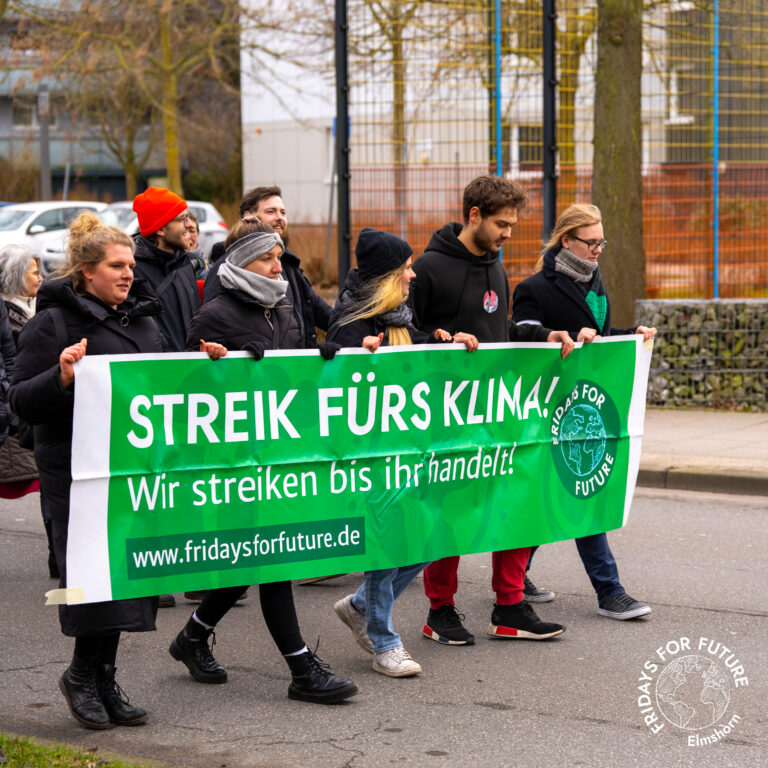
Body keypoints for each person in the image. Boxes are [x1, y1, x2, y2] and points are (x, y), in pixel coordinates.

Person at [7, 213, 219, 729]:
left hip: (133, 476)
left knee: (125, 580)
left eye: (129, 264)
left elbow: (166, 385)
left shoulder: (142, 320)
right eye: (115, 266)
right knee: (93, 583)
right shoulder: (51, 324)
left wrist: (205, 361)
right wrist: (59, 376)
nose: (128, 274)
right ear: (84, 271)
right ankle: (81, 675)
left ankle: (103, 675)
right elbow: (19, 403)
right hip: (77, 479)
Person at [168, 224, 357, 704]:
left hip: (279, 456)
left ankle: (192, 636)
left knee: (249, 557)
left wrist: (317, 357)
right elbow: (185, 386)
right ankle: (301, 669)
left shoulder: (284, 307)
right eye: (270, 259)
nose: (280, 268)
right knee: (276, 557)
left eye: (280, 257)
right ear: (244, 264)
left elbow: (289, 368)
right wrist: (229, 365)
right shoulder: (215, 313)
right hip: (235, 465)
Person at [410, 174, 575, 645]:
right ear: (474, 215)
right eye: (502, 224)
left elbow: (498, 329)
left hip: (498, 411)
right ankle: (439, 611)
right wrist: (439, 345)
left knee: (518, 504)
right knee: (451, 516)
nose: (508, 234)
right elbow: (404, 336)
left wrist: (546, 336)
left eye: (513, 225)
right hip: (445, 417)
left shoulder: (496, 268)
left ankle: (510, 607)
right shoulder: (429, 268)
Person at [328, 227, 478, 677]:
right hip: (371, 457)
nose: (413, 275)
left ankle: (359, 606)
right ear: (384, 277)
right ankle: (383, 641)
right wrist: (356, 355)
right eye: (404, 268)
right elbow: (333, 380)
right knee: (390, 543)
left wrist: (446, 342)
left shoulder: (396, 316)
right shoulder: (352, 324)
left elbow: (411, 348)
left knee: (432, 536)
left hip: (409, 449)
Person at [512, 202, 655, 621]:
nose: (597, 250)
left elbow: (601, 338)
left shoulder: (596, 284)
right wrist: (559, 336)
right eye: (591, 242)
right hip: (546, 409)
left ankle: (518, 580)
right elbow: (517, 333)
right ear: (566, 241)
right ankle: (609, 592)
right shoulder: (535, 287)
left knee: (564, 493)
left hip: (584, 408)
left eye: (601, 242)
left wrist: (632, 336)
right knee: (571, 495)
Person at [203, 186, 332, 350]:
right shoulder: (225, 271)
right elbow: (214, 331)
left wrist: (359, 334)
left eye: (283, 212)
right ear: (249, 217)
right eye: (271, 211)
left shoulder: (289, 268)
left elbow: (323, 313)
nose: (280, 218)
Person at [0, 245, 55, 576]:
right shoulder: (14, 316)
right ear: (17, 277)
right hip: (21, 411)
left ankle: (57, 554)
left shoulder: (32, 310)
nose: (41, 277)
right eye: (35, 272)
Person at [131, 186, 201, 352]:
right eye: (182, 219)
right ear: (161, 229)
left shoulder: (185, 264)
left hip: (191, 369)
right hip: (158, 371)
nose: (189, 225)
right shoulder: (132, 270)